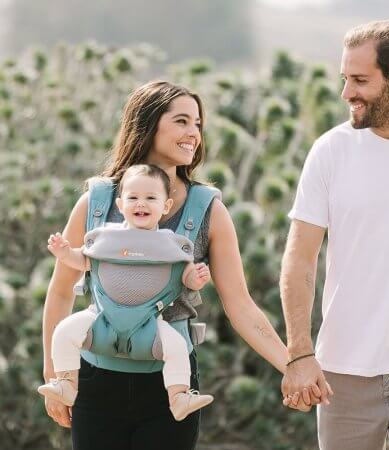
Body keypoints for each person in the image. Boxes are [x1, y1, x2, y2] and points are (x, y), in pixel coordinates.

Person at [42, 80, 289, 450]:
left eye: (198, 124)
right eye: (182, 122)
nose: (194, 134)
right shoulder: (95, 202)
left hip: (170, 390)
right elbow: (61, 291)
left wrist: (292, 365)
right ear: (148, 125)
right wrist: (54, 376)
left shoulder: (209, 210)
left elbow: (240, 304)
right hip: (95, 382)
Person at [280, 20, 389, 450]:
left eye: (359, 80)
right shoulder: (330, 152)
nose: (346, 94)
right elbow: (300, 257)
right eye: (344, 79)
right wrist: (299, 353)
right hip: (344, 370)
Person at [38, 164, 214, 421]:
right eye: (133, 198)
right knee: (64, 331)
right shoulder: (105, 238)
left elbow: (184, 276)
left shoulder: (170, 243)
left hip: (150, 325)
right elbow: (82, 261)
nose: (140, 203)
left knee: (177, 345)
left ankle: (179, 397)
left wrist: (196, 278)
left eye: (151, 198)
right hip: (100, 318)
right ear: (120, 205)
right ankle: (66, 383)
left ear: (165, 206)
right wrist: (65, 252)